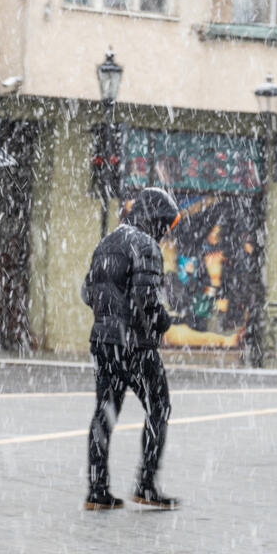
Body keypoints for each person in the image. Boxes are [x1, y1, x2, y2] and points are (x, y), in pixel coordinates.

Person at [81, 187, 181, 510]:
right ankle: (146, 483)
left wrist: (108, 315)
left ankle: (97, 490)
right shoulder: (146, 245)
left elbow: (87, 291)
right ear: (155, 220)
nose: (166, 233)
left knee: (105, 413)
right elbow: (147, 300)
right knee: (159, 406)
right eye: (165, 225)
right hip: (135, 344)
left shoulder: (105, 243)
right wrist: (164, 322)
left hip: (104, 341)